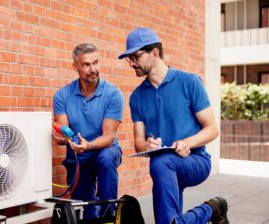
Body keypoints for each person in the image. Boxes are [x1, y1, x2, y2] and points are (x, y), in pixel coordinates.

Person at [118, 27, 229, 224]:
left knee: (160, 162)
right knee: (169, 217)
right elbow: (138, 143)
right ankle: (210, 209)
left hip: (195, 160)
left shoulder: (189, 81)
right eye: (129, 58)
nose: (131, 63)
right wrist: (147, 146)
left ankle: (209, 210)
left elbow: (212, 129)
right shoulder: (136, 97)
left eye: (135, 56)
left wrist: (187, 142)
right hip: (166, 167)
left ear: (155, 53)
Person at [52, 43, 124, 219]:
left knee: (106, 158)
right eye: (86, 64)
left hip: (104, 150)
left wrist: (89, 145)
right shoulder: (62, 95)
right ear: (75, 66)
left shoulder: (113, 94)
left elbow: (108, 136)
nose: (93, 69)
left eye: (96, 63)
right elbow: (63, 130)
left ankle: (109, 216)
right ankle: (92, 216)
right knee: (84, 213)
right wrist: (62, 139)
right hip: (78, 156)